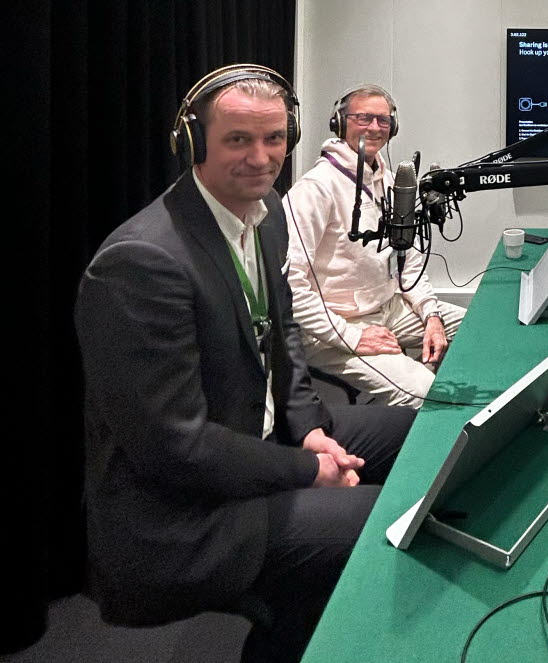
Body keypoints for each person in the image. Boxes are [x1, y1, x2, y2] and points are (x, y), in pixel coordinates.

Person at [75, 65, 416, 663]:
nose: (261, 157)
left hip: (261, 437)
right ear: (193, 142)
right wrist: (306, 470)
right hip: (185, 513)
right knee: (388, 526)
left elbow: (281, 335)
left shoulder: (267, 216)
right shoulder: (140, 262)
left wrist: (310, 426)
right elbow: (173, 449)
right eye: (238, 139)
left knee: (421, 434)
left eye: (275, 139)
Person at [284, 84, 465, 409]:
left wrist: (431, 315)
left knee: (476, 329)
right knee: (425, 392)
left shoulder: (392, 181)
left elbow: (409, 260)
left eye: (383, 120)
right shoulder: (313, 190)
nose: (375, 127)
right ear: (340, 123)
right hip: (333, 325)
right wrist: (351, 335)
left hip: (389, 310)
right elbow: (290, 288)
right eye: (364, 118)